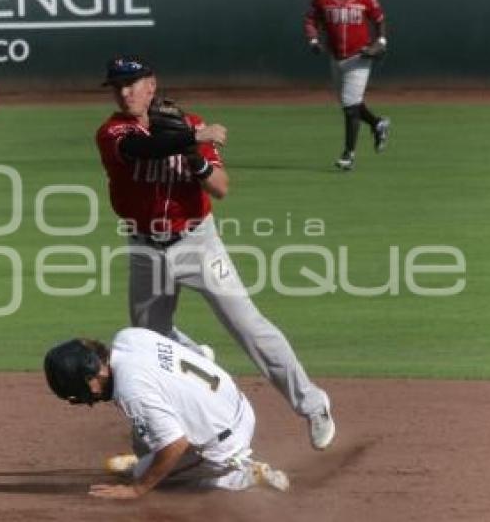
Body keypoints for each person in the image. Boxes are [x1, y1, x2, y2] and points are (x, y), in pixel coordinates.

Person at [94, 55, 334, 450]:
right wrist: (195, 139)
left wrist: (195, 158)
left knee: (248, 326)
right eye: (117, 85)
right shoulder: (113, 131)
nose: (124, 92)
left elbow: (221, 187)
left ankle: (313, 404)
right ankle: (158, 434)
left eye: (132, 83)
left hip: (197, 243)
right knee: (145, 343)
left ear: (151, 84)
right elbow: (142, 148)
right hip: (145, 249)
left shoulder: (191, 126)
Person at [43, 328, 290, 499]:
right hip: (234, 403)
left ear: (92, 377)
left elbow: (175, 444)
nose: (81, 396)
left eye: (77, 387)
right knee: (146, 431)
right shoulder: (128, 338)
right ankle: (151, 459)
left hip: (222, 440)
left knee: (150, 476)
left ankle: (242, 475)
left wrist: (137, 490)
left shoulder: (132, 391)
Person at [304, 0, 391, 170]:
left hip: (360, 58)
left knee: (350, 107)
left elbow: (380, 21)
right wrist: (313, 40)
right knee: (350, 104)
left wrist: (380, 43)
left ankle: (348, 155)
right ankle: (377, 124)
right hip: (336, 59)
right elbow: (310, 20)